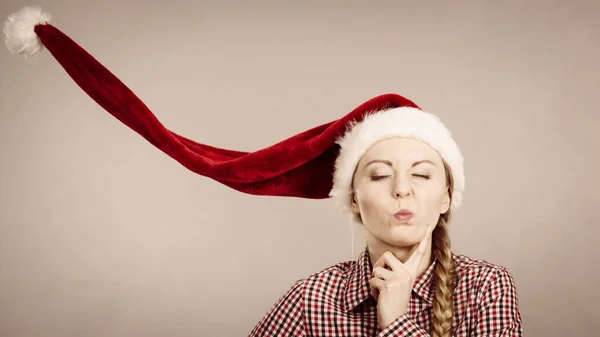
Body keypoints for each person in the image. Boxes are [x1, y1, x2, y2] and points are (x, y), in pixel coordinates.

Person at [5, 6, 523, 337]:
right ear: (350, 198)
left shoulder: (488, 290)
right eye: (380, 174)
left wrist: (394, 317)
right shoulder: (310, 300)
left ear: (448, 195)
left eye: (423, 175)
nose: (402, 190)